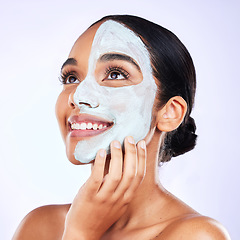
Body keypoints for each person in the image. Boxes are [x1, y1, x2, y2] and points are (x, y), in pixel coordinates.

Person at [13, 15, 231, 239]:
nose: (78, 96)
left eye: (115, 74)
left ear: (170, 112)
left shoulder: (197, 235)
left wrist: (81, 233)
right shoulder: (40, 226)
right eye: (71, 78)